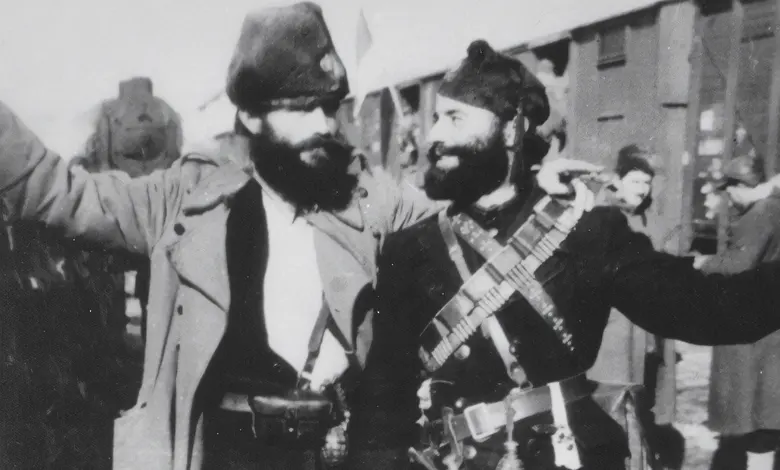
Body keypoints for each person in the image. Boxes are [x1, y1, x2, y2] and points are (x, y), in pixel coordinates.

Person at [0, 3, 446, 469]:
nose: (325, 126)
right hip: (226, 455)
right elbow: (60, 193)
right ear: (252, 117)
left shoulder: (370, 199)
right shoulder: (187, 199)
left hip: (337, 453)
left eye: (330, 107)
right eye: (303, 109)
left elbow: (458, 232)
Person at [356, 39, 780, 470]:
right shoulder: (409, 248)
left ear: (510, 130)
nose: (434, 136)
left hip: (566, 455)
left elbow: (707, 307)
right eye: (435, 119)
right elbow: (381, 403)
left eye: (454, 118)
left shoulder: (589, 233)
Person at [588, 145, 683, 469]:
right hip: (608, 338)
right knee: (611, 410)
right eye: (635, 181)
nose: (641, 190)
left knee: (638, 411)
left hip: (642, 337)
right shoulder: (599, 215)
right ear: (618, 180)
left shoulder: (653, 222)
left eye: (646, 183)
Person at [694, 154, 780, 470]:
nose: (728, 197)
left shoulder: (758, 214)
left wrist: (703, 263)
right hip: (772, 326)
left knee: (755, 413)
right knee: (766, 413)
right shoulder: (776, 209)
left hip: (754, 330)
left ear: (740, 185)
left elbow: (740, 264)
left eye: (729, 189)